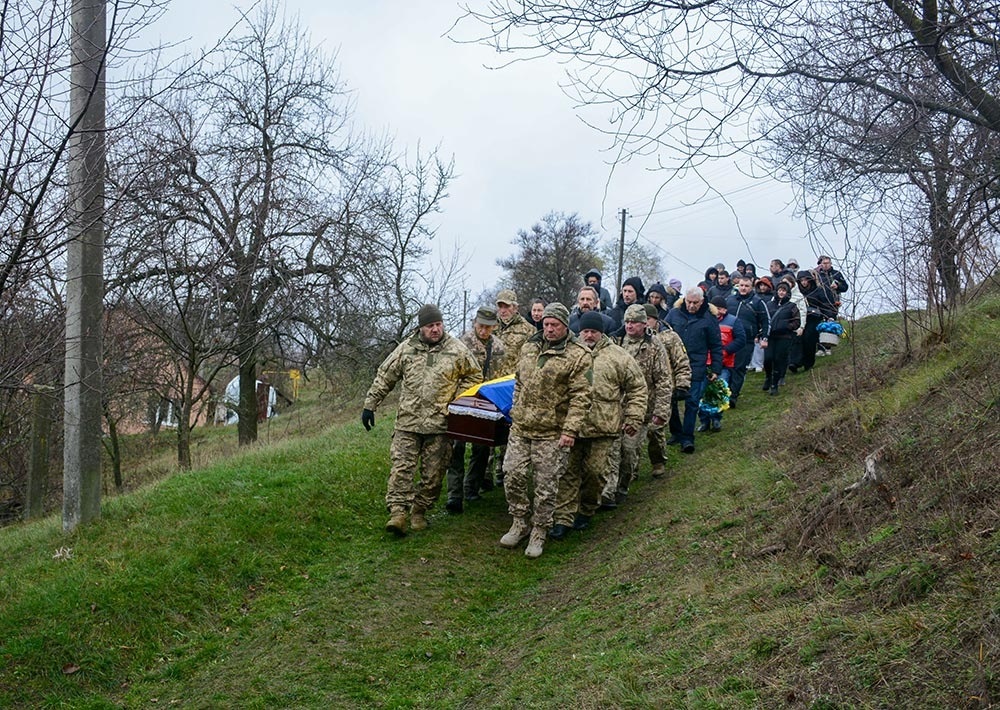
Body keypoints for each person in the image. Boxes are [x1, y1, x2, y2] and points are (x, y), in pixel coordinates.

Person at [362, 304, 482, 536]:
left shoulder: (456, 349)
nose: (435, 329)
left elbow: (474, 376)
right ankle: (397, 514)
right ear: (421, 328)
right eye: (430, 326)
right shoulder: (406, 349)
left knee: (433, 476)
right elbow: (385, 375)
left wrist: (457, 401)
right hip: (408, 422)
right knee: (401, 469)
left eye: (438, 324)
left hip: (440, 425)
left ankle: (419, 511)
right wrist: (370, 405)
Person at [500, 302, 593, 559]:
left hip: (552, 432)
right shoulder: (529, 346)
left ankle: (540, 529)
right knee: (512, 474)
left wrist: (570, 430)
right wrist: (516, 408)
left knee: (546, 484)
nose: (549, 329)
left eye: (554, 325)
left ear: (565, 326)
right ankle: (519, 521)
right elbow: (518, 380)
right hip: (522, 426)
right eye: (546, 324)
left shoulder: (578, 355)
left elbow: (581, 397)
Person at [551, 311, 646, 539]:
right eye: (585, 331)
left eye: (593, 331)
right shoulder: (568, 353)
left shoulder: (618, 356)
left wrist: (633, 417)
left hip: (604, 426)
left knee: (594, 472)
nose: (589, 335)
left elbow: (637, 388)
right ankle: (563, 517)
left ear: (601, 332)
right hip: (572, 425)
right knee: (567, 471)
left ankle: (586, 508)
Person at [445, 306, 507, 513]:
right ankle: (454, 495)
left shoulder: (499, 347)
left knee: (482, 448)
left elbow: (502, 376)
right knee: (457, 448)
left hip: (487, 403)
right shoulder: (461, 344)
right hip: (462, 401)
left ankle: (471, 488)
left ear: (494, 327)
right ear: (475, 323)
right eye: (481, 326)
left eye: (488, 327)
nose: (484, 331)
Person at [665, 288, 722, 454]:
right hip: (673, 365)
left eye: (695, 303)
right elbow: (662, 333)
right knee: (671, 400)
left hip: (697, 365)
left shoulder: (709, 319)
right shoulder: (674, 314)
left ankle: (687, 438)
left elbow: (716, 345)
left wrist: (716, 368)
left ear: (702, 302)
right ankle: (676, 432)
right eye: (688, 302)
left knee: (692, 402)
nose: (691, 305)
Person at [698, 296, 745, 432]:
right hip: (705, 363)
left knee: (719, 391)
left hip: (725, 364)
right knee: (702, 392)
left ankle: (716, 419)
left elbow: (741, 339)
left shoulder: (733, 321)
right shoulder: (704, 320)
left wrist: (726, 351)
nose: (717, 311)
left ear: (724, 309)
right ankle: (704, 420)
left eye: (720, 308)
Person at [726, 275, 770, 408]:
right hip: (728, 339)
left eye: (746, 286)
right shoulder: (730, 300)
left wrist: (764, 337)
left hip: (747, 340)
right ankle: (724, 393)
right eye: (741, 286)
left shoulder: (758, 302)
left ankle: (733, 396)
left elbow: (766, 320)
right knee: (728, 367)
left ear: (751, 287)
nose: (743, 288)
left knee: (739, 367)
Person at [763, 282, 800, 395]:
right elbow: (763, 319)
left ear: (787, 292)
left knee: (779, 360)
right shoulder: (769, 305)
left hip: (784, 337)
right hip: (770, 336)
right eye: (780, 290)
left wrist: (787, 326)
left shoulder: (792, 306)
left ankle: (775, 384)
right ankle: (768, 377)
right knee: (768, 359)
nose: (781, 292)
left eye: (784, 290)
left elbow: (797, 321)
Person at [494, 289, 536, 376]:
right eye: (500, 307)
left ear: (515, 308)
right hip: (490, 382)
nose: (503, 311)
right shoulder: (490, 327)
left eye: (506, 306)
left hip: (513, 382)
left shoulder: (529, 330)